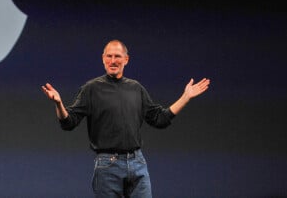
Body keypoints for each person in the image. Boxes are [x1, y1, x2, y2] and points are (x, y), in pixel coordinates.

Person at [42, 39, 210, 198]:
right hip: (107, 166)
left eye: (117, 56)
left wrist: (185, 97)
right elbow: (68, 122)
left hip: (137, 163)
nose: (113, 60)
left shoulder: (136, 88)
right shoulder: (91, 89)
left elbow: (160, 119)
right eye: (109, 56)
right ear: (103, 59)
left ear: (126, 60)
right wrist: (59, 103)